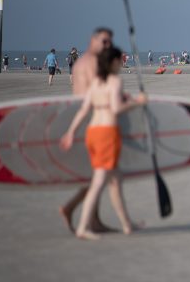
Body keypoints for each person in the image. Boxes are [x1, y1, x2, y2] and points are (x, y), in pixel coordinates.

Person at [59, 46, 147, 240]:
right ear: (114, 62)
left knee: (116, 180)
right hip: (107, 133)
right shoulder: (115, 81)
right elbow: (116, 109)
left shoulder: (96, 82)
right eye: (120, 60)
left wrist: (71, 132)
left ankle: (127, 225)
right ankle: (83, 227)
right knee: (98, 182)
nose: (122, 63)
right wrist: (137, 103)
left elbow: (84, 109)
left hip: (93, 132)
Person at [59, 27, 114, 234]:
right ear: (93, 40)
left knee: (97, 175)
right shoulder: (89, 64)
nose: (107, 46)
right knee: (99, 175)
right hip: (92, 123)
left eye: (110, 42)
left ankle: (93, 219)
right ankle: (73, 210)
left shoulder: (85, 62)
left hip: (90, 121)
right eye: (104, 41)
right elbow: (92, 95)